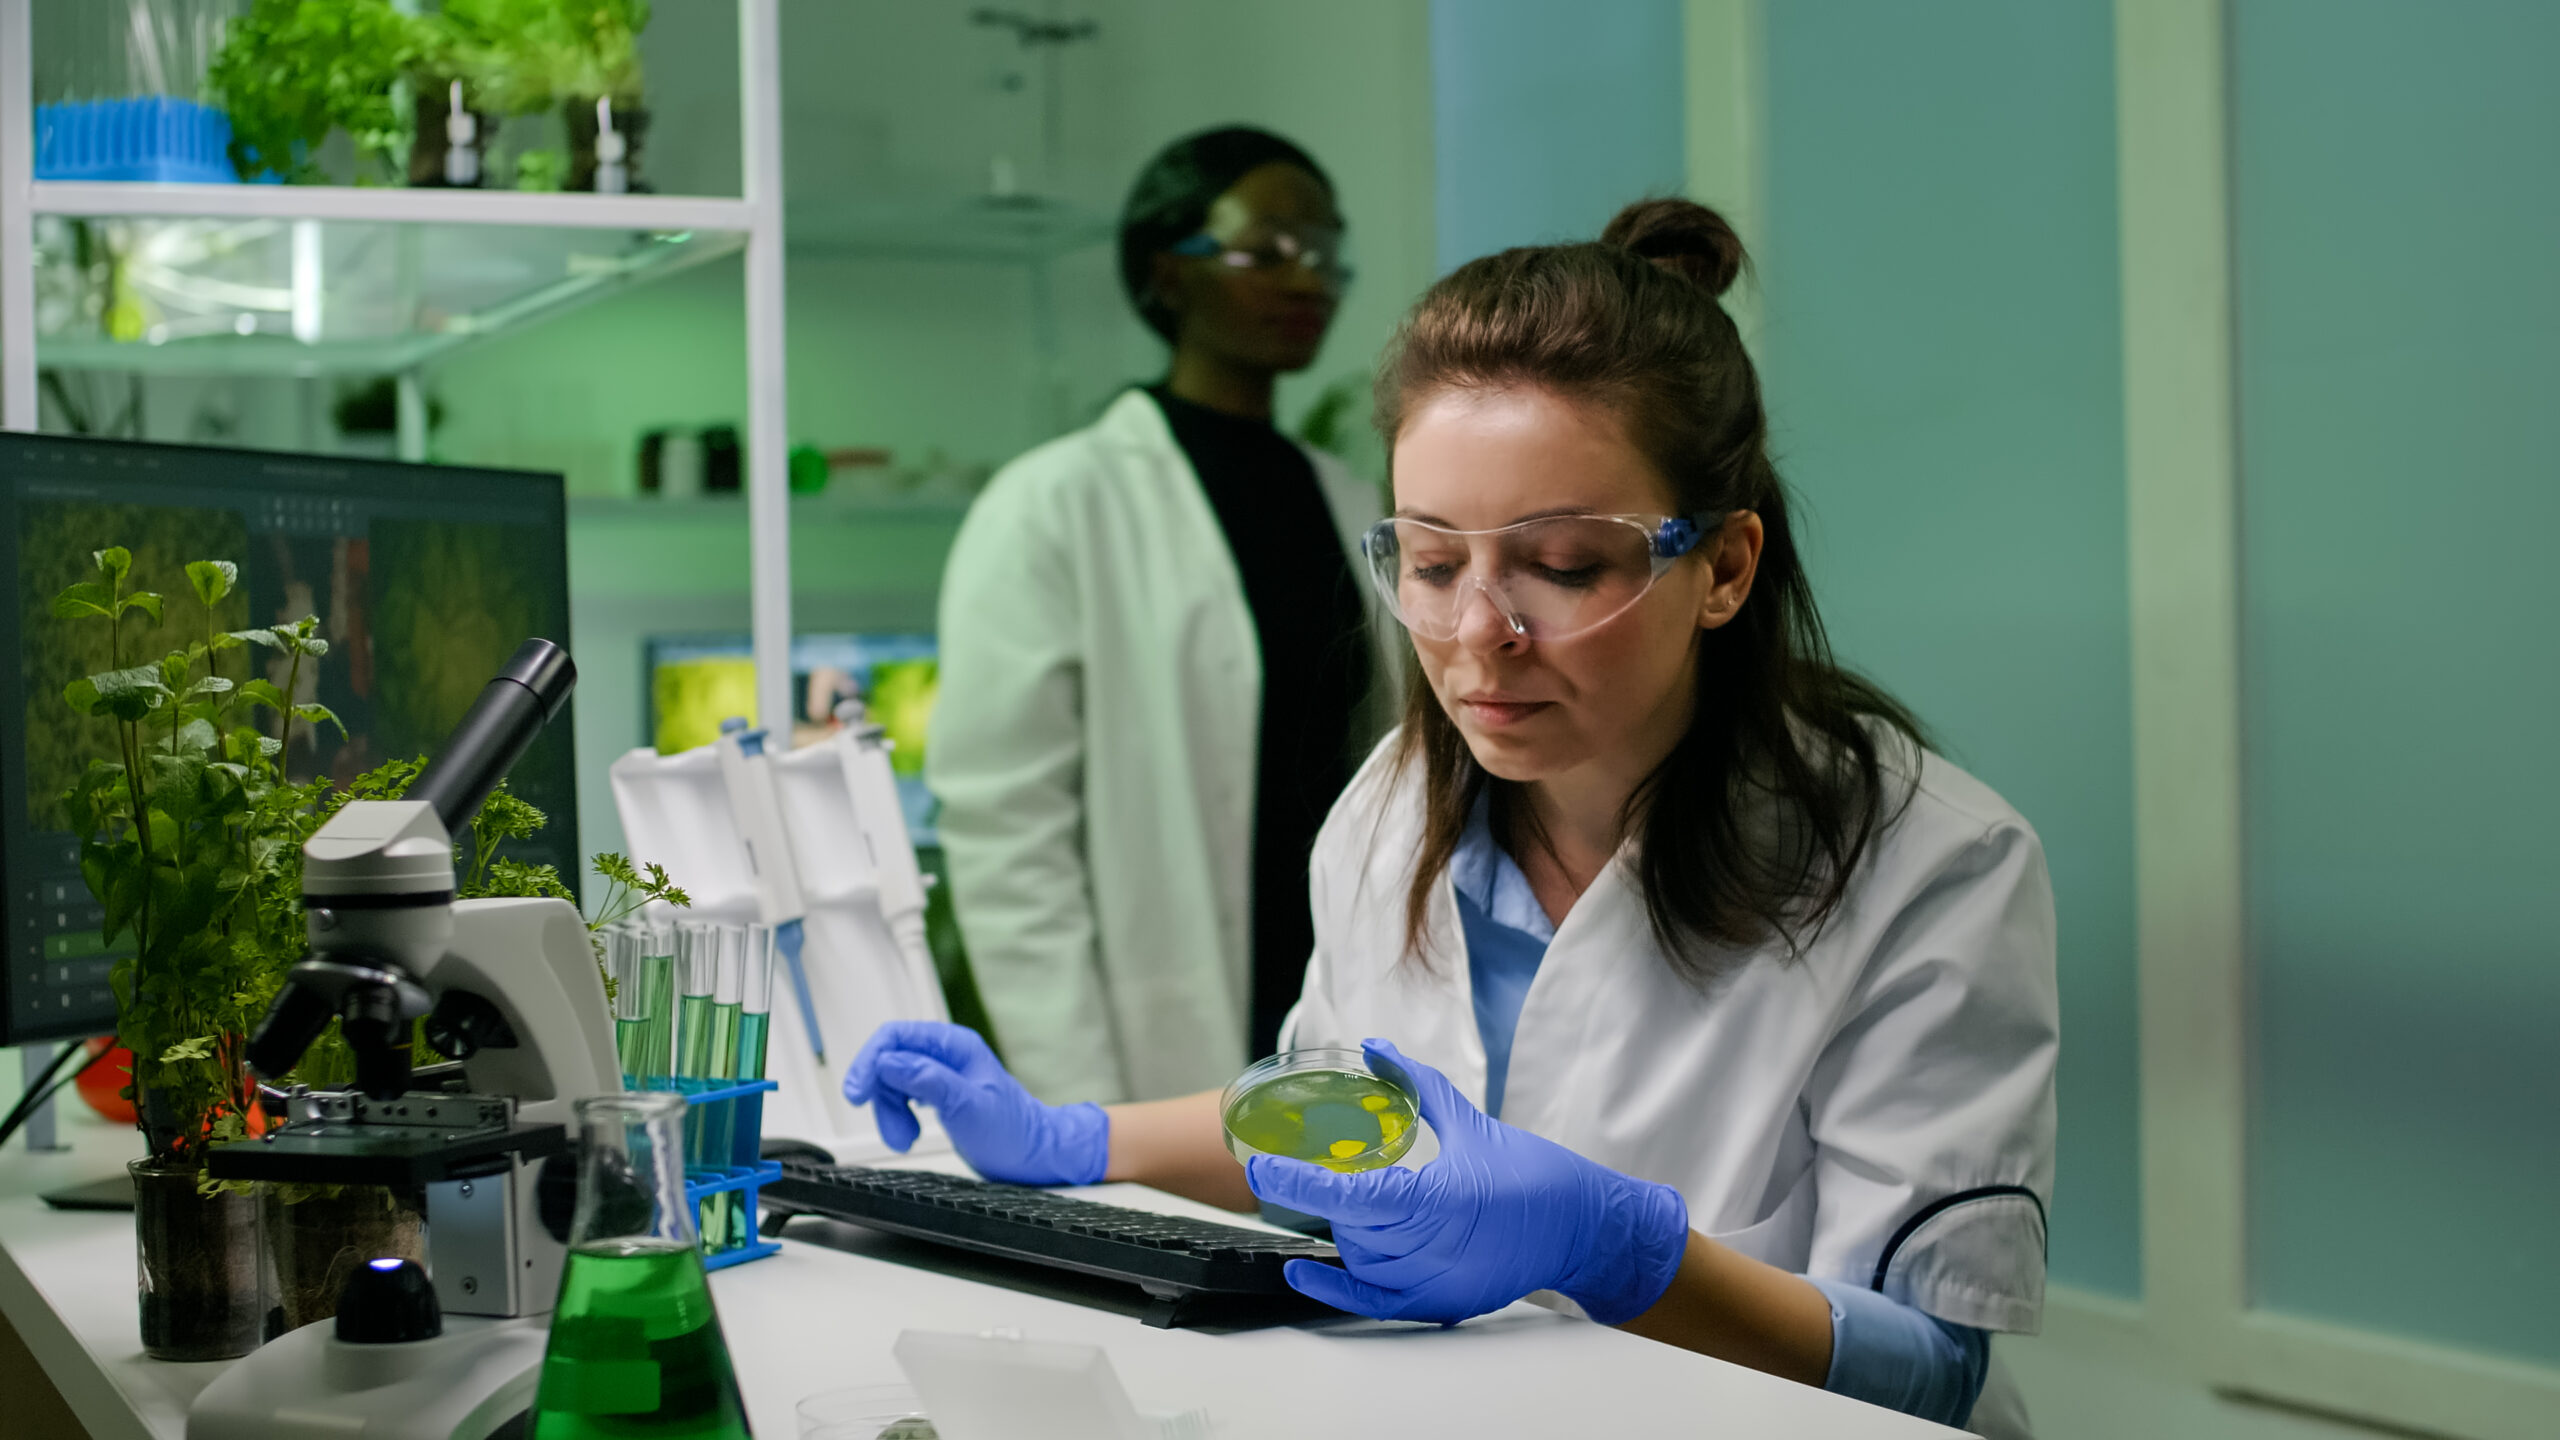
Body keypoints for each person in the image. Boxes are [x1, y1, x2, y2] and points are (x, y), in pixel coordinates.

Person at [855, 198, 2056, 1430]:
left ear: (1727, 569)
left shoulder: (1927, 866)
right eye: (1432, 566)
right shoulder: (1390, 814)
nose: (1480, 633)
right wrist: (1072, 1139)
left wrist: (1618, 1251)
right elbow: (1334, 1125)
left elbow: (1928, 1369)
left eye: (1566, 565)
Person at [929, 126, 1393, 1105]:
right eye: (1264, 249)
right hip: (1156, 1045)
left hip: (1343, 1015)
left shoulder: (1353, 504)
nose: (1307, 277)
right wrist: (1080, 1108)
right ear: (1164, 275)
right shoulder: (1054, 505)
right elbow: (1010, 840)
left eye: (1323, 251)